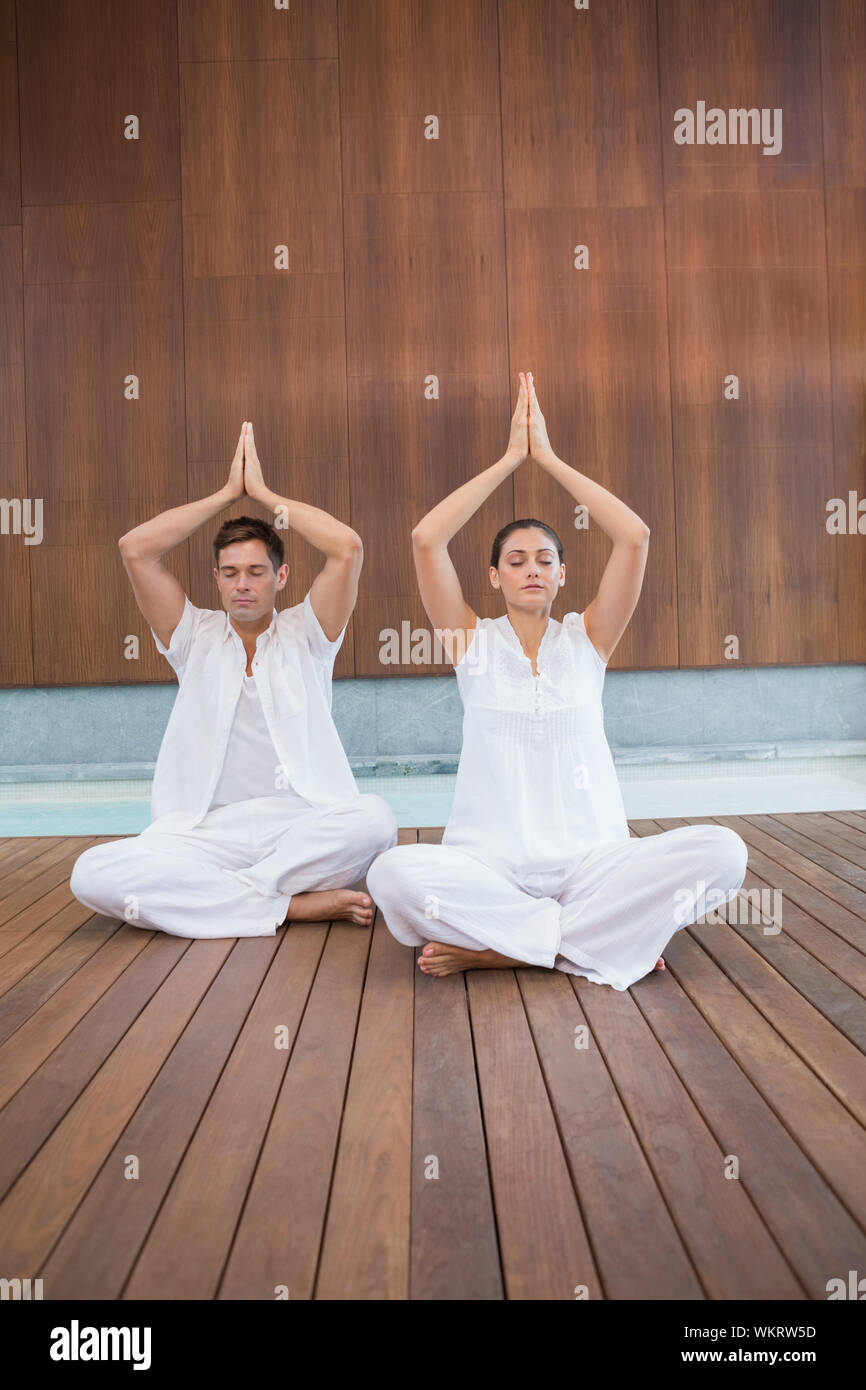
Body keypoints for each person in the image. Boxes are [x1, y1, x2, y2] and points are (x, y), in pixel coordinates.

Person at [366, 374, 748, 988]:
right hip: (490, 866)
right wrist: (508, 461)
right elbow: (426, 538)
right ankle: (590, 940)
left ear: (564, 574)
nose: (531, 570)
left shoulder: (588, 640)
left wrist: (548, 458)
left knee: (726, 853)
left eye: (545, 560)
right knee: (392, 877)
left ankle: (507, 950)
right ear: (493, 577)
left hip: (594, 863)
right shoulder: (472, 644)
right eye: (515, 561)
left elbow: (635, 536)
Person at [70, 422, 397, 939]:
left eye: (256, 571)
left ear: (280, 577)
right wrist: (226, 494)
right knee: (90, 874)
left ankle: (230, 896)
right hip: (204, 831)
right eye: (230, 572)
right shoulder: (193, 635)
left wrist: (264, 495)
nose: (242, 584)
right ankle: (287, 905)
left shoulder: (307, 633)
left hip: (297, 825)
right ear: (216, 578)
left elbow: (347, 548)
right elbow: (135, 548)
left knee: (376, 821)